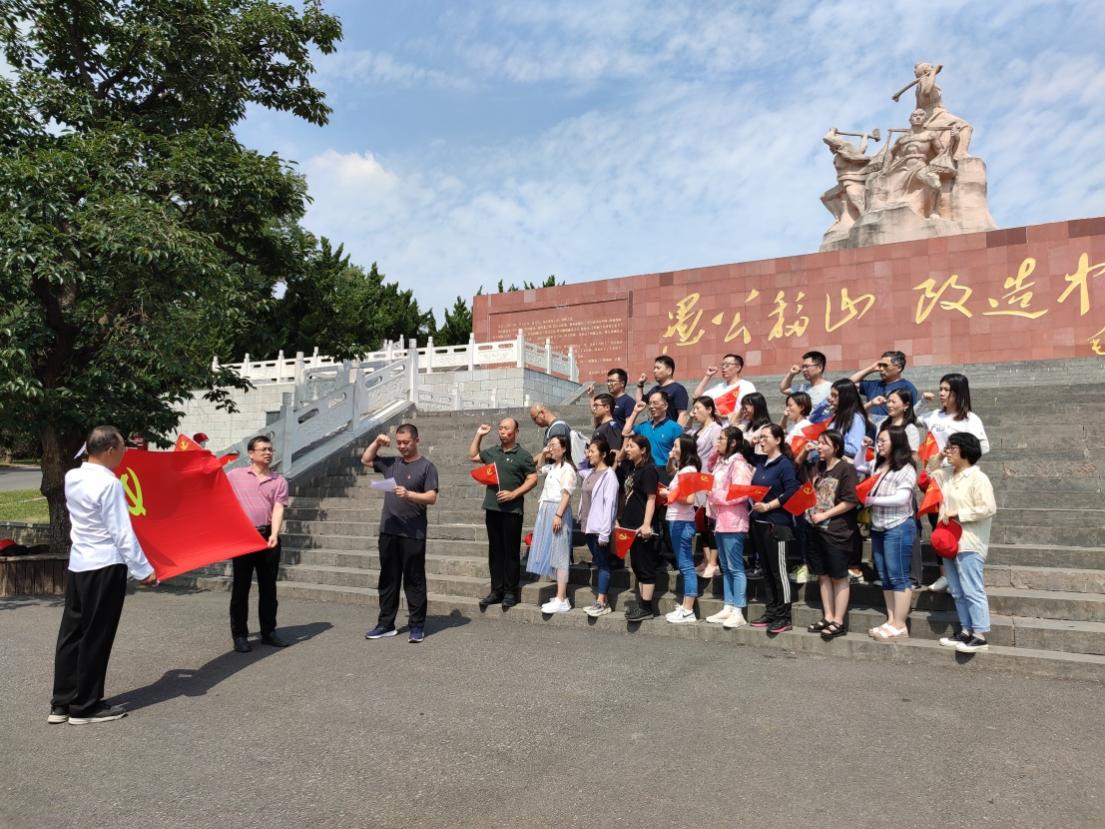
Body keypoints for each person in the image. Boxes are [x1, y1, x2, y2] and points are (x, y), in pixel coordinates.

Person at [49, 426, 158, 725]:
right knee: (97, 635)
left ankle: (62, 703)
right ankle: (85, 706)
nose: (125, 452)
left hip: (80, 564)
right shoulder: (109, 484)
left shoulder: (73, 476)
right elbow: (121, 533)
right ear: (110, 450)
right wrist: (144, 570)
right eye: (123, 447)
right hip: (105, 565)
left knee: (72, 634)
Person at [360, 425, 439, 643]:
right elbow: (366, 459)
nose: (402, 446)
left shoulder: (427, 467)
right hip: (389, 530)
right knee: (388, 579)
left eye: (406, 442)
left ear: (417, 440)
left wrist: (409, 494)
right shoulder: (392, 463)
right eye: (399, 443)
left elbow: (432, 497)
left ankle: (417, 626)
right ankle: (386, 624)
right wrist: (377, 443)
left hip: (413, 532)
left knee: (414, 580)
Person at [920, 373, 990, 592]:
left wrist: (960, 455)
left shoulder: (970, 419)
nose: (941, 393)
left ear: (958, 393)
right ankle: (945, 575)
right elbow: (910, 418)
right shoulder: (934, 416)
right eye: (940, 389)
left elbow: (983, 446)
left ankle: (961, 574)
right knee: (938, 524)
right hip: (938, 477)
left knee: (958, 524)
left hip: (961, 476)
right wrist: (921, 402)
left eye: (946, 389)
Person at [932, 433, 997, 654]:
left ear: (965, 451)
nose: (948, 451)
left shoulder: (978, 478)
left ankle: (980, 635)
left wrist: (959, 513)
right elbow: (929, 473)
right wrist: (940, 455)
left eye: (953, 448)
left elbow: (988, 508)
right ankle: (966, 630)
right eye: (948, 447)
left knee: (971, 589)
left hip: (970, 541)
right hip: (949, 541)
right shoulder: (948, 475)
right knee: (957, 591)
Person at [226, 435, 290, 653]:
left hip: (268, 537)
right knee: (241, 588)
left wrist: (275, 534)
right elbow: (215, 488)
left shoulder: (279, 481)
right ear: (251, 454)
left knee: (268, 588)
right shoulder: (235, 476)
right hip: (243, 537)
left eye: (270, 449)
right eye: (263, 449)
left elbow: (278, 508)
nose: (268, 453)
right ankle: (240, 635)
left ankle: (269, 632)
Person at [468, 419, 539, 609]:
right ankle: (496, 590)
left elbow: (533, 478)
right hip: (493, 508)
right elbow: (473, 455)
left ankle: (510, 592)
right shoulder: (493, 452)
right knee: (495, 551)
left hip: (512, 511)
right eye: (500, 428)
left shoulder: (523, 455)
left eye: (507, 428)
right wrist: (479, 434)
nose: (502, 431)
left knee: (511, 552)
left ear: (516, 431)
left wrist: (514, 494)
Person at [863, 426, 918, 641]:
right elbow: (858, 465)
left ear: (896, 441)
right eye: (878, 441)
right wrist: (863, 449)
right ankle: (891, 619)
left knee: (898, 575)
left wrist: (872, 500)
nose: (880, 444)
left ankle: (900, 624)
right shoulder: (878, 465)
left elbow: (902, 498)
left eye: (883, 441)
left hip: (898, 525)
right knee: (885, 575)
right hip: (878, 525)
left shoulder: (906, 468)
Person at [802, 430, 858, 641]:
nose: (819, 447)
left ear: (836, 446)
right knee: (823, 574)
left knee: (838, 575)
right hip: (814, 528)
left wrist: (825, 514)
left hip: (836, 530)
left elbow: (850, 500)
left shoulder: (846, 469)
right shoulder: (816, 467)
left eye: (824, 443)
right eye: (818, 443)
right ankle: (827, 616)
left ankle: (838, 620)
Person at [748, 424, 801, 634]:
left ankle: (784, 615)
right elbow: (745, 450)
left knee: (780, 572)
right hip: (759, 524)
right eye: (760, 437)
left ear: (778, 440)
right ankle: (771, 611)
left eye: (765, 437)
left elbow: (792, 490)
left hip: (777, 525)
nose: (761, 441)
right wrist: (754, 438)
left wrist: (769, 506)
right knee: (768, 571)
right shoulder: (762, 462)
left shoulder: (784, 464)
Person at [706, 426, 754, 629]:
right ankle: (728, 605)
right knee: (725, 566)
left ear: (733, 442)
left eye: (721, 439)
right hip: (721, 520)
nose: (717, 442)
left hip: (734, 521)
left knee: (735, 567)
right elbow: (709, 465)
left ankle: (738, 610)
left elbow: (741, 493)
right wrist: (717, 450)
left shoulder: (739, 464)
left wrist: (715, 496)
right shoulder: (723, 461)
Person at [527, 435, 579, 613]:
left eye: (554, 445)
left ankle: (562, 598)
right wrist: (543, 453)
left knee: (560, 554)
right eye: (550, 444)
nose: (551, 447)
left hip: (558, 510)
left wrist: (558, 515)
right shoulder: (554, 466)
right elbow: (539, 468)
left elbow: (567, 494)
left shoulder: (568, 469)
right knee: (554, 553)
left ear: (564, 448)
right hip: (548, 509)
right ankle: (559, 596)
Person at [617, 435, 661, 623]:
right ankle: (642, 603)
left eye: (631, 446)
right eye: (627, 446)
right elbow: (618, 460)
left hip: (642, 527)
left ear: (643, 450)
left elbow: (651, 498)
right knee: (636, 564)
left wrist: (646, 524)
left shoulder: (649, 470)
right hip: (630, 526)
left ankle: (647, 606)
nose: (627, 449)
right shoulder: (632, 468)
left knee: (645, 565)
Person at [662, 435, 702, 624]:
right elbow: (669, 471)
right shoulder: (682, 468)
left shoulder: (689, 470)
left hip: (682, 522)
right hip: (676, 520)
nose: (673, 447)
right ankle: (686, 607)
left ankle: (688, 609)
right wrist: (671, 458)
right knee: (684, 564)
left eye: (676, 445)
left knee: (686, 566)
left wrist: (668, 493)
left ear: (684, 448)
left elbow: (689, 499)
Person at [578, 437, 620, 617]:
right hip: (588, 527)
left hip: (599, 529)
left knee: (603, 564)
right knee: (599, 562)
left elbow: (610, 505)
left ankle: (602, 602)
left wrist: (605, 533)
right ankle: (601, 600)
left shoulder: (609, 476)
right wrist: (584, 454)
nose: (589, 454)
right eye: (588, 451)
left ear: (603, 454)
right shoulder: (590, 472)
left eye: (592, 451)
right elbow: (579, 467)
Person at [687, 396, 723, 577]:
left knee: (710, 522)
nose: (694, 412)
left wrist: (712, 483)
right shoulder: (696, 431)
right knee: (701, 523)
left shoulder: (716, 429)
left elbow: (717, 455)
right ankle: (706, 559)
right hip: (696, 482)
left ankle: (714, 562)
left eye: (698, 408)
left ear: (709, 410)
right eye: (693, 409)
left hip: (708, 480)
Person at [849, 351, 920, 418]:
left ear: (899, 368)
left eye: (885, 365)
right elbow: (849, 383)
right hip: (871, 425)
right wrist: (871, 368)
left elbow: (912, 413)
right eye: (880, 365)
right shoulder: (873, 385)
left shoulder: (907, 387)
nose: (881, 369)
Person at [623, 391, 683, 468]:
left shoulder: (675, 427)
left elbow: (681, 452)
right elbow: (625, 433)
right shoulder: (644, 426)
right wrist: (635, 412)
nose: (651, 406)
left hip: (664, 469)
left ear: (665, 406)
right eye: (650, 403)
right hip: (645, 469)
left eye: (655, 403)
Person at [635, 354, 690, 422]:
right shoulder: (654, 389)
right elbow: (639, 402)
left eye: (658, 368)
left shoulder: (678, 389)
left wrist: (676, 429)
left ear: (669, 371)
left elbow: (682, 414)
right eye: (654, 368)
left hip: (670, 428)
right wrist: (640, 384)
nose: (654, 371)